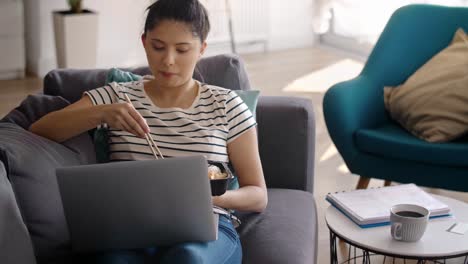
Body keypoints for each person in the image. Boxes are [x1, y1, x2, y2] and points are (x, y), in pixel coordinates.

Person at [30, 0, 267, 263]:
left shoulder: (226, 104)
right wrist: (102, 113)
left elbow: (257, 194)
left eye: (182, 49)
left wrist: (213, 197)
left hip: (207, 228)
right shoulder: (117, 95)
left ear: (201, 49)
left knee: (187, 258)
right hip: (130, 227)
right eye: (158, 47)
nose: (168, 61)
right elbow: (41, 129)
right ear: (144, 42)